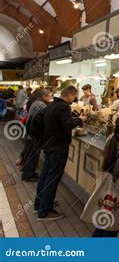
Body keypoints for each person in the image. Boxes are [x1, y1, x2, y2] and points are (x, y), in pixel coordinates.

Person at [35, 86, 86, 221]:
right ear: (69, 95)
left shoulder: (51, 105)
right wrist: (81, 119)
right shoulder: (64, 107)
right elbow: (67, 125)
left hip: (48, 145)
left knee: (45, 175)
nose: (73, 99)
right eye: (73, 96)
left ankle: (39, 204)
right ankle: (45, 211)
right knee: (52, 178)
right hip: (58, 147)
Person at [20, 89, 53, 182]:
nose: (51, 98)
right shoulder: (41, 105)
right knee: (33, 156)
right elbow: (44, 119)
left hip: (30, 133)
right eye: (50, 96)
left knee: (29, 154)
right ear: (44, 96)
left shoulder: (36, 103)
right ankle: (29, 175)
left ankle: (27, 173)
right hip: (34, 135)